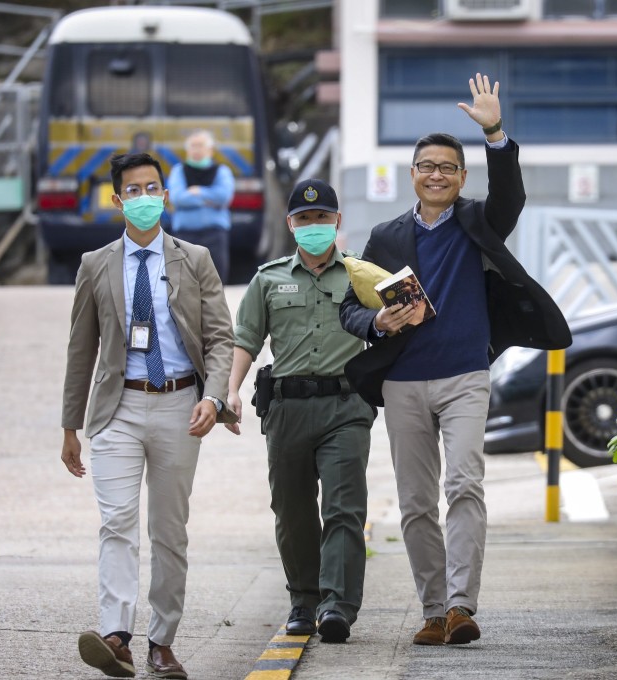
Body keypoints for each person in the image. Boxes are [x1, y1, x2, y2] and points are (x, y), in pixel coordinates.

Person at [338, 74, 571, 646]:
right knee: (417, 504)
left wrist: (494, 131)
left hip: (466, 375)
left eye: (447, 167)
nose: (436, 174)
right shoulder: (387, 236)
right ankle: (434, 610)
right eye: (427, 166)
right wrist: (377, 322)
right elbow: (350, 306)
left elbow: (510, 195)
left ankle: (464, 605)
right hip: (402, 383)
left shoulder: (477, 222)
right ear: (412, 174)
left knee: (464, 485)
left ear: (461, 177)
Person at [60, 152, 236, 679]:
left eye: (151, 187)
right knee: (116, 521)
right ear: (118, 200)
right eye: (132, 190)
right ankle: (116, 634)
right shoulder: (95, 264)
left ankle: (163, 640)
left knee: (168, 530)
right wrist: (69, 425)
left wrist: (216, 396)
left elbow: (220, 337)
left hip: (182, 405)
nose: (143, 197)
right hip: (118, 407)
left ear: (166, 194)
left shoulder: (195, 259)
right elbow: (80, 348)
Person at [225, 178, 375, 644]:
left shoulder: (361, 276)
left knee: (344, 508)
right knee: (292, 512)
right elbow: (246, 338)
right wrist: (230, 390)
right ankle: (303, 601)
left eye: (323, 218)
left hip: (347, 406)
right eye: (305, 219)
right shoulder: (268, 278)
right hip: (287, 410)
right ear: (291, 224)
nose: (314, 226)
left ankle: (337, 606)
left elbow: (392, 326)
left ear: (337, 223)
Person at [167, 130, 236, 283]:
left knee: (215, 282)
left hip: (214, 235)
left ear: (210, 150)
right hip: (184, 236)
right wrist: (208, 200)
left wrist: (197, 191)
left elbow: (224, 196)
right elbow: (177, 198)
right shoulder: (178, 171)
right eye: (193, 146)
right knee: (185, 283)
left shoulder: (222, 172)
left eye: (200, 145)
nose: (196, 150)